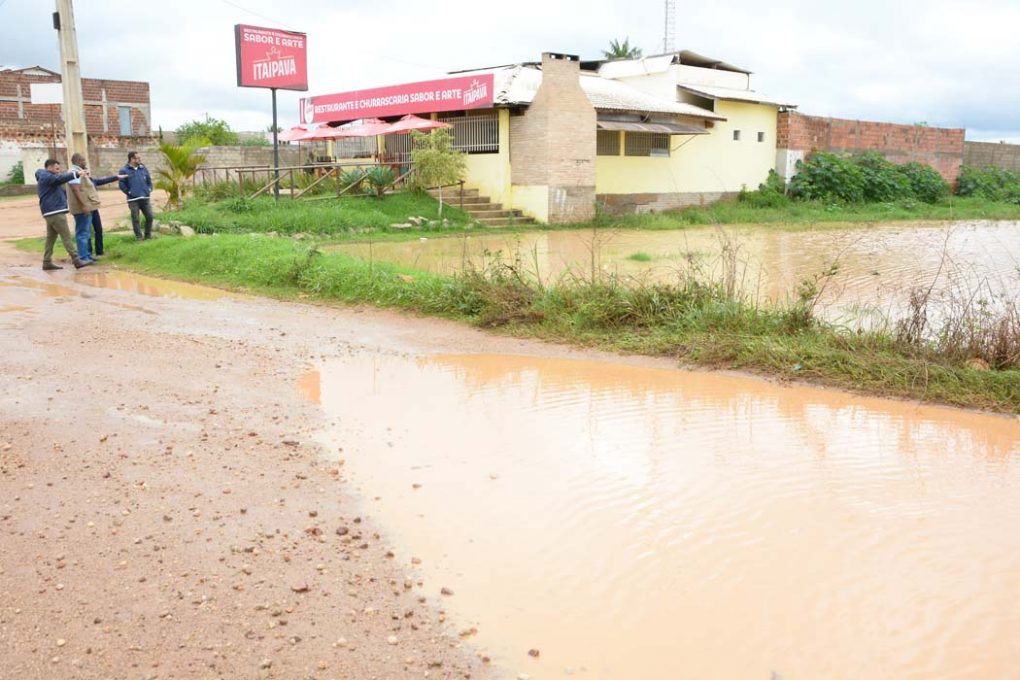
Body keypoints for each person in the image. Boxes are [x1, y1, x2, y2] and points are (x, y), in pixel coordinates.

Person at [66, 153, 126, 260]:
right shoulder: (74, 172)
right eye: (84, 160)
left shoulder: (80, 172)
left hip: (90, 206)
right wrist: (84, 205)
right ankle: (84, 257)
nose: (85, 162)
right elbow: (76, 190)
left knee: (88, 232)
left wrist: (116, 177)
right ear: (79, 161)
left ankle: (88, 255)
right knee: (83, 233)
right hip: (83, 208)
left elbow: (95, 183)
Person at [35, 158, 92, 271]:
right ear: (50, 167)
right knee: (66, 236)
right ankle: (76, 260)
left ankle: (47, 262)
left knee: (51, 238)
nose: (59, 171)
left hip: (51, 212)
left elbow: (60, 181)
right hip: (55, 212)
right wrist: (76, 173)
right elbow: (60, 178)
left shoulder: (48, 178)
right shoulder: (46, 177)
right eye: (57, 169)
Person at [119, 150, 154, 240]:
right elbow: (122, 184)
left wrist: (149, 189)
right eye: (137, 158)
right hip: (133, 200)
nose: (139, 160)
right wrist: (129, 192)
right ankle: (139, 237)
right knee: (136, 219)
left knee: (150, 216)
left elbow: (149, 180)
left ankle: (148, 236)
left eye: (139, 158)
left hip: (145, 197)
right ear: (132, 159)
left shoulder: (143, 168)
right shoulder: (124, 170)